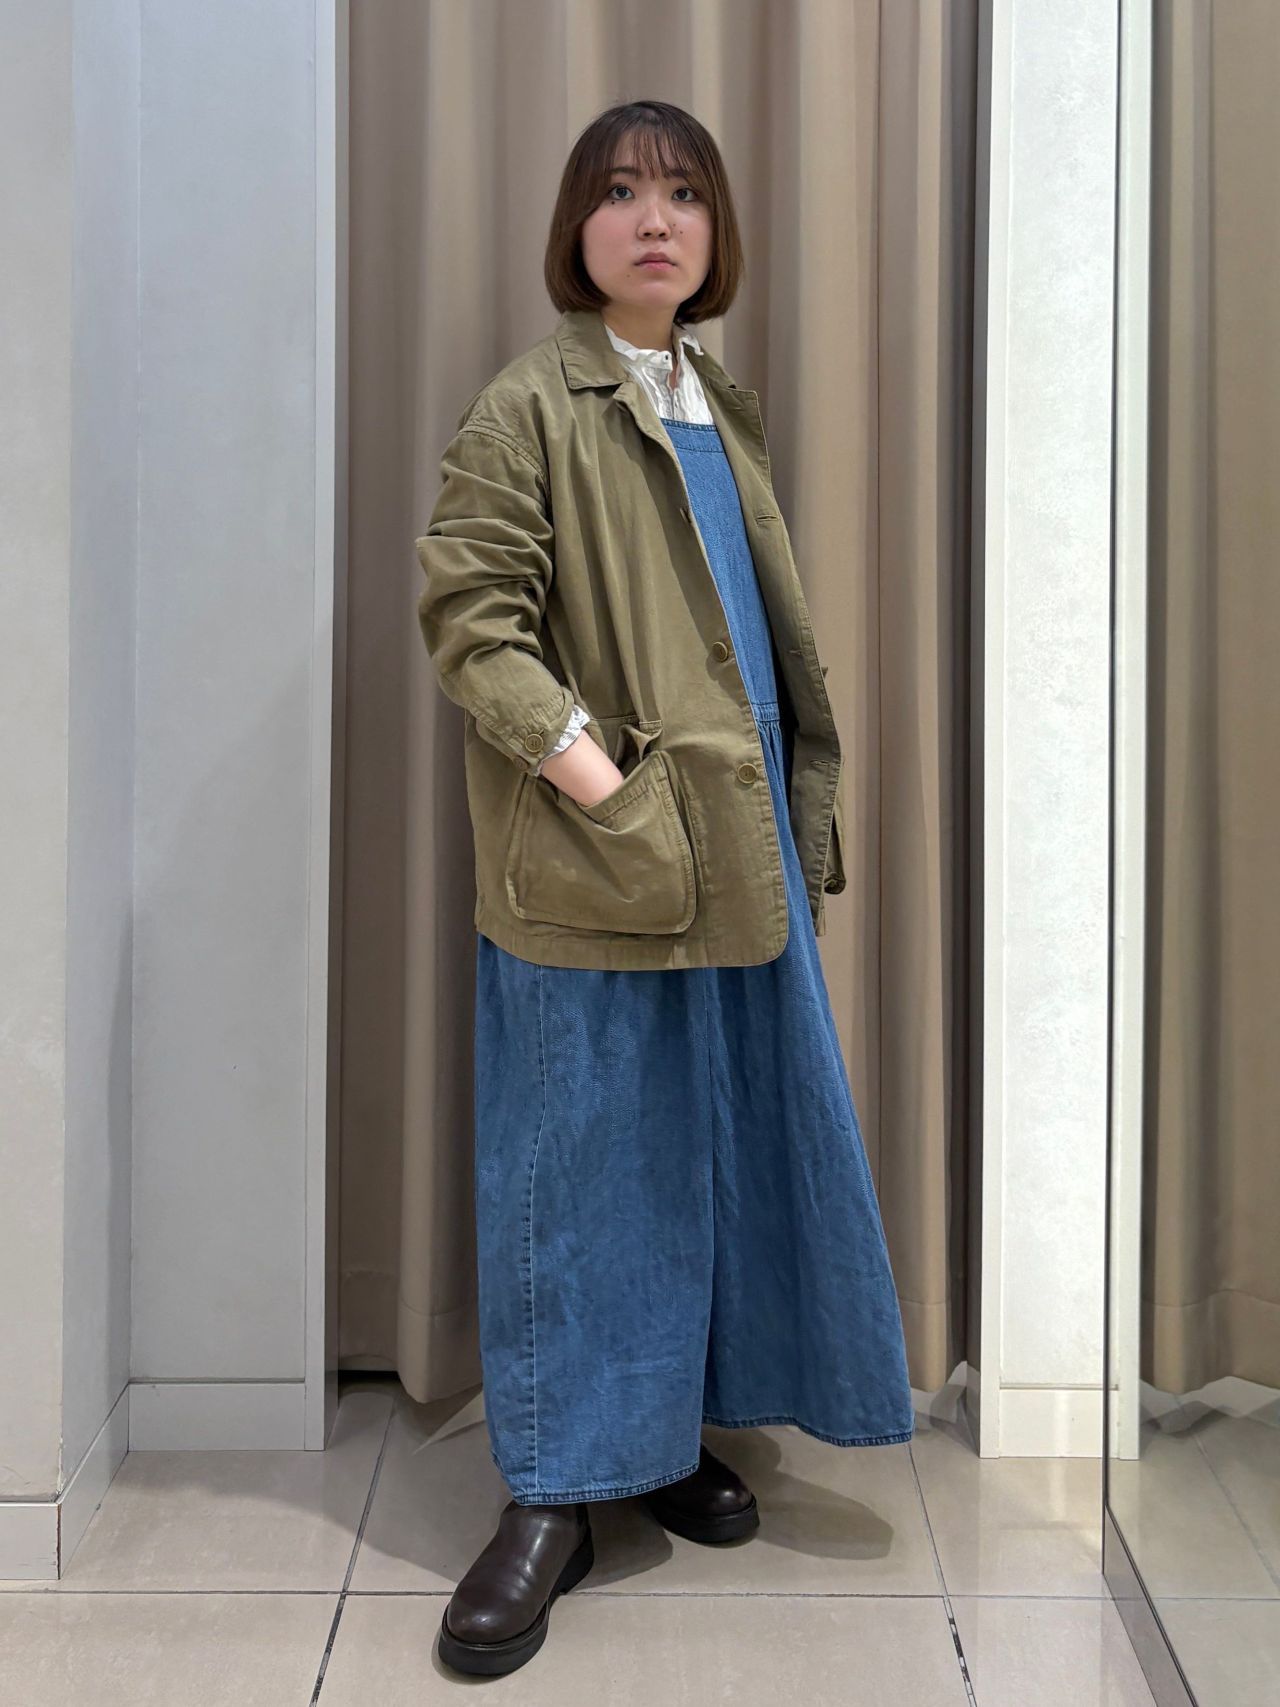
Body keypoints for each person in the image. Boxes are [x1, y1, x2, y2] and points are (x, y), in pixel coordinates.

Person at [415, 99, 914, 1679]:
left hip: (736, 851)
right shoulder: (529, 405)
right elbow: (471, 621)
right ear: (577, 226)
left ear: (716, 233)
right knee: (578, 1166)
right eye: (622, 192)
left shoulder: (718, 403)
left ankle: (656, 1437)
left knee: (704, 1153)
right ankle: (554, 1492)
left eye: (684, 193)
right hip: (602, 858)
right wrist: (603, 788)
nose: (654, 218)